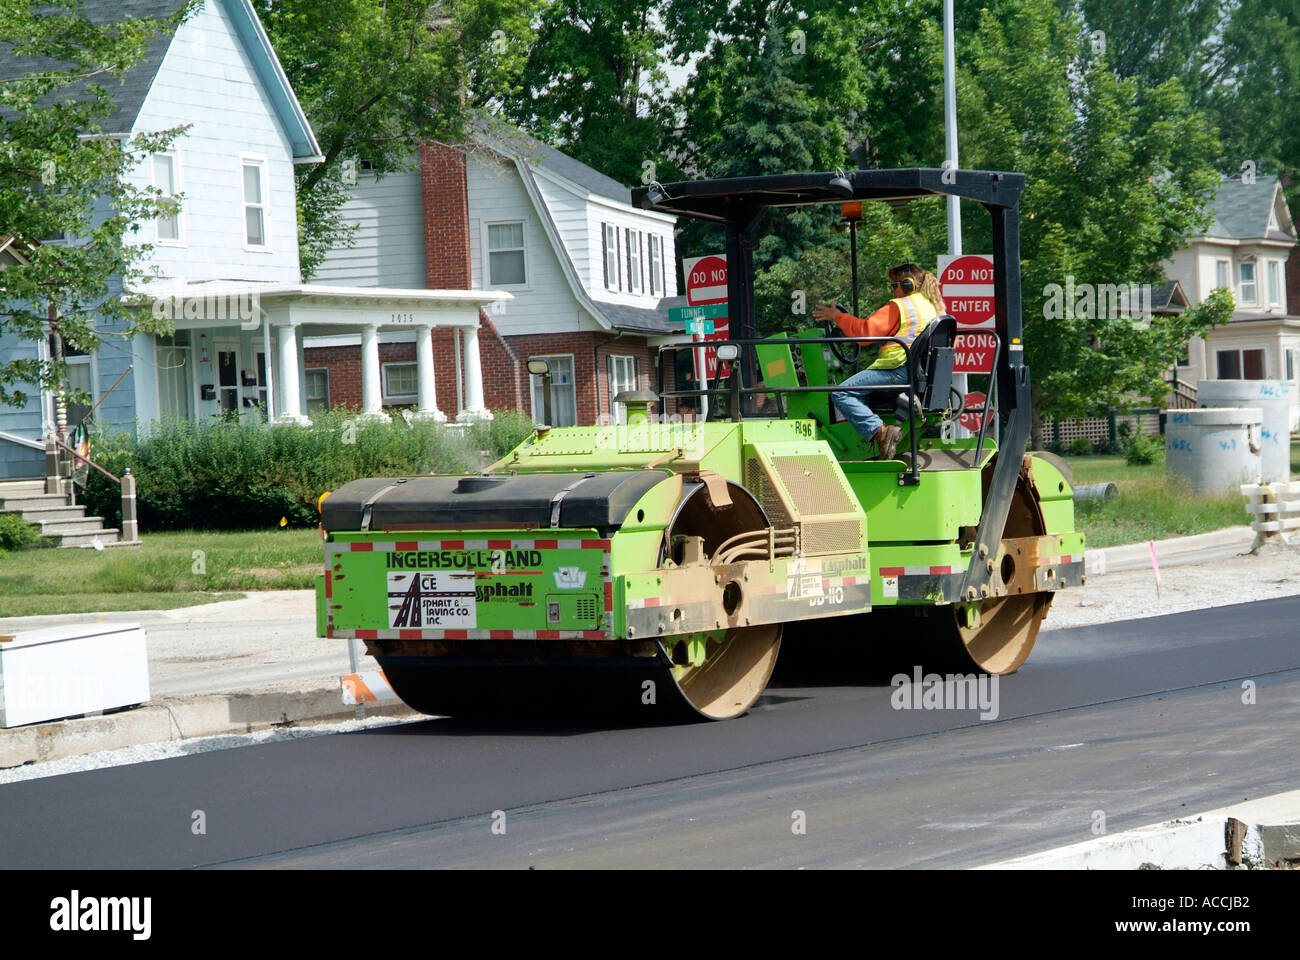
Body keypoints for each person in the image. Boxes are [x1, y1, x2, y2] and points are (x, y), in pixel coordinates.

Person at [812, 263, 945, 460]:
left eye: (893, 286)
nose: (892, 292)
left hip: (897, 369)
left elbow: (864, 334)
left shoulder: (901, 306)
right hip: (919, 373)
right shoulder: (933, 307)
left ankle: (880, 432)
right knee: (858, 393)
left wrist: (837, 317)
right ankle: (871, 442)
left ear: (907, 285)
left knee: (841, 393)